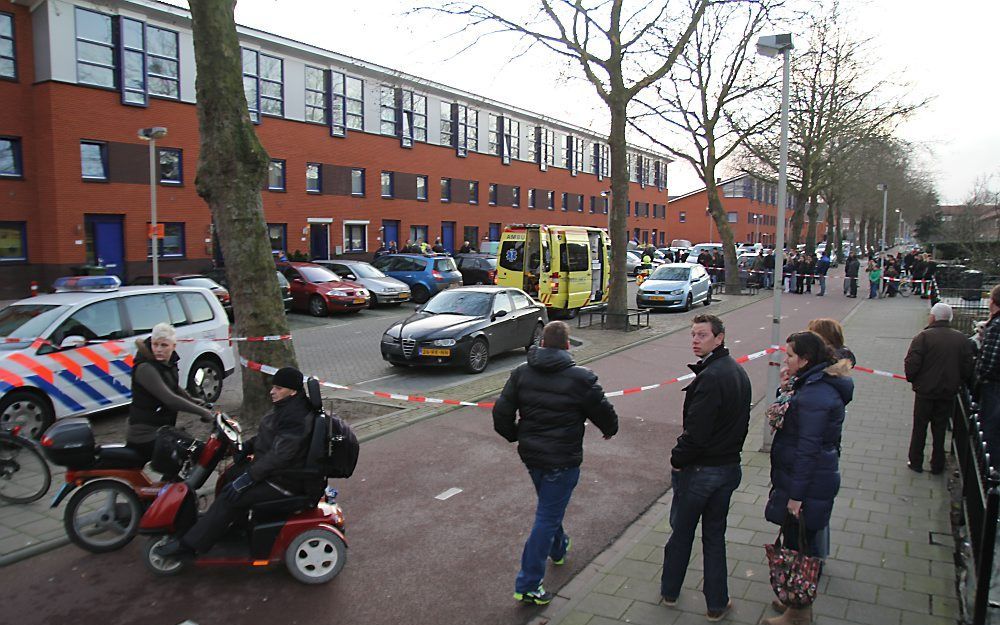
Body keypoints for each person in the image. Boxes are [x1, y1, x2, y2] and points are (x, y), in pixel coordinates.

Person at [492, 321, 618, 605]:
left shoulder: (521, 373)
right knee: (547, 516)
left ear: (543, 343)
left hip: (532, 455)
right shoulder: (581, 378)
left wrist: (516, 435)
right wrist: (610, 429)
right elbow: (604, 412)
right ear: (567, 345)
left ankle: (559, 547)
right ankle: (528, 584)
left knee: (549, 507)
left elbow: (501, 413)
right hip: (562, 459)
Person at [154, 366, 319, 558]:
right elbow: (270, 438)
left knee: (231, 494)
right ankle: (232, 525)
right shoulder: (288, 407)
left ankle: (190, 547)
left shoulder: (295, 417)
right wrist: (247, 447)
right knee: (229, 475)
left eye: (279, 388)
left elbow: (280, 456)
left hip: (284, 481)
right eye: (274, 387)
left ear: (293, 390)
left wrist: (248, 478)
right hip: (278, 473)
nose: (272, 391)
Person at [661, 314, 751, 622]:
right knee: (714, 537)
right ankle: (716, 604)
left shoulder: (711, 378)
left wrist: (677, 459)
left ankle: (670, 591)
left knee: (681, 533)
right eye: (693, 335)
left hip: (701, 472)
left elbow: (696, 435)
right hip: (728, 468)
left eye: (702, 335)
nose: (696, 340)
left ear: (720, 338)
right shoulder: (737, 372)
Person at [763, 332, 853, 625]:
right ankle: (794, 603)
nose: (785, 360)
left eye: (790, 355)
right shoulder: (812, 385)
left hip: (807, 484)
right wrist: (787, 389)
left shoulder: (816, 395)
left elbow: (807, 450)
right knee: (797, 543)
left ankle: (798, 614)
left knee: (800, 547)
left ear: (805, 359)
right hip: (807, 480)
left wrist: (796, 497)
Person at [126, 323, 214, 463]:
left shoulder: (166, 363)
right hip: (145, 435)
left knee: (190, 451)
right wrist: (202, 412)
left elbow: (173, 386)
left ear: (174, 346)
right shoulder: (146, 368)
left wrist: (192, 400)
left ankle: (172, 482)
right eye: (155, 344)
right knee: (195, 451)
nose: (159, 349)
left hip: (161, 428)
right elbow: (169, 398)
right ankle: (174, 484)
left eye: (164, 345)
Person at [904, 303, 975, 474]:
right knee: (940, 427)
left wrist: (914, 379)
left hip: (925, 390)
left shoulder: (923, 337)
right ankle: (937, 463)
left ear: (933, 317)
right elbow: (968, 367)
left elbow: (912, 363)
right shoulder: (962, 339)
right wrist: (959, 380)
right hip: (948, 391)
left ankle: (916, 461)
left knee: (920, 426)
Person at [977, 285, 1000, 465]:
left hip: (993, 385)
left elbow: (989, 362)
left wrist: (980, 376)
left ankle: (990, 467)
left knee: (990, 427)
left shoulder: (996, 326)